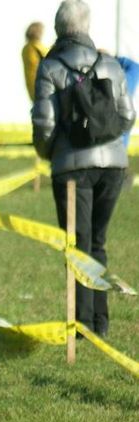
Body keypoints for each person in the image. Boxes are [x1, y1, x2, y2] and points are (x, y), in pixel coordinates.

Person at [32, 0, 135, 338]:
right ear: (86, 26)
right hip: (113, 166)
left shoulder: (49, 67)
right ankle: (100, 325)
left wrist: (50, 154)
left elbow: (44, 123)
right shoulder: (110, 64)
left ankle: (83, 325)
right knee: (98, 243)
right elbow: (127, 115)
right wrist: (107, 138)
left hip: (71, 168)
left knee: (78, 246)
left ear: (59, 27)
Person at [22, 21, 48, 101]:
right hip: (40, 86)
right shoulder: (35, 46)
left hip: (32, 87)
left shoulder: (26, 48)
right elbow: (48, 55)